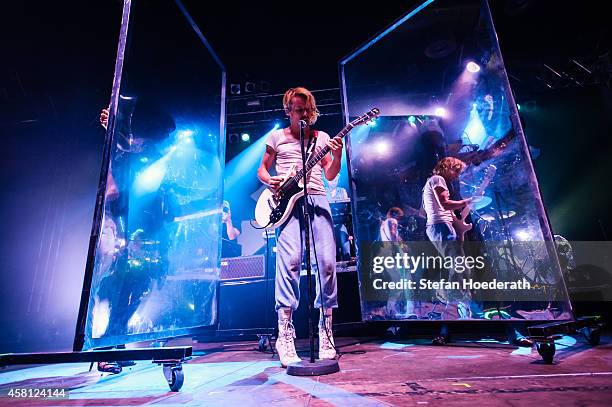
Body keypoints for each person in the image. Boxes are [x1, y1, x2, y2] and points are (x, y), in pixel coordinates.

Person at [257, 87, 343, 367]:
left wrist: (338, 156)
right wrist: (269, 180)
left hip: (317, 198)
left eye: (307, 109)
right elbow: (262, 170)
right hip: (287, 203)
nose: (304, 114)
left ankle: (326, 329)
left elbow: (330, 175)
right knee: (290, 262)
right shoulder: (277, 137)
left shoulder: (322, 138)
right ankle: (285, 333)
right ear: (289, 111)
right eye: (298, 109)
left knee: (327, 264)